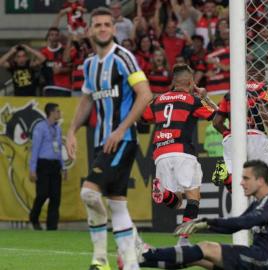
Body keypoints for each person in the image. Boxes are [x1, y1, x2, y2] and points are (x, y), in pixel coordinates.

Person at [66, 7, 153, 270]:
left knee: (89, 193)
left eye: (107, 24)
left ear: (114, 29)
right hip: (100, 142)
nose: (102, 29)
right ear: (90, 30)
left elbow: (145, 94)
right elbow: (86, 100)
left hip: (122, 140)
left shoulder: (124, 58)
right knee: (117, 204)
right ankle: (131, 262)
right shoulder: (90, 64)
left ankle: (100, 259)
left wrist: (120, 129)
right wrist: (71, 130)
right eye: (98, 25)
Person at [140, 160, 268, 270]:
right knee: (196, 257)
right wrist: (206, 224)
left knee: (206, 247)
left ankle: (148, 254)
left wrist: (207, 222)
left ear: (260, 180)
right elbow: (234, 226)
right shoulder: (259, 203)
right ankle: (139, 262)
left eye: (246, 178)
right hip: (259, 259)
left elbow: (244, 222)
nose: (241, 183)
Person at [142, 63, 217, 245]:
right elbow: (217, 115)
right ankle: (183, 240)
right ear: (191, 82)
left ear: (173, 81)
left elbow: (145, 117)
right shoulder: (192, 100)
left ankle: (164, 192)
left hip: (160, 152)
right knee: (193, 197)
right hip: (183, 152)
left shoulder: (158, 100)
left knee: (175, 201)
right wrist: (205, 98)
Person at [212, 77, 268, 192]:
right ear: (262, 73)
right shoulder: (265, 87)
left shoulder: (230, 93)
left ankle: (227, 179)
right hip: (255, 136)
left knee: (239, 186)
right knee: (267, 179)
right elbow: (262, 111)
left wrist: (227, 134)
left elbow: (216, 122)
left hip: (233, 138)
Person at [29, 103, 66, 231]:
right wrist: (32, 169)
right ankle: (34, 217)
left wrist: (63, 167)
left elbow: (59, 149)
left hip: (55, 165)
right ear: (51, 112)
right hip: (43, 163)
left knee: (56, 196)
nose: (59, 113)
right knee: (43, 194)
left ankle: (52, 226)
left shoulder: (58, 129)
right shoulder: (40, 127)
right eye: (57, 111)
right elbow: (35, 148)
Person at [41, 27, 72, 96]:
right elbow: (35, 65)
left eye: (56, 35)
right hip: (49, 87)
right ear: (48, 37)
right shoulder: (43, 52)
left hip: (64, 88)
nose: (54, 37)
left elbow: (71, 68)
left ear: (59, 37)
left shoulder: (65, 51)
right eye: (52, 35)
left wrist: (61, 70)